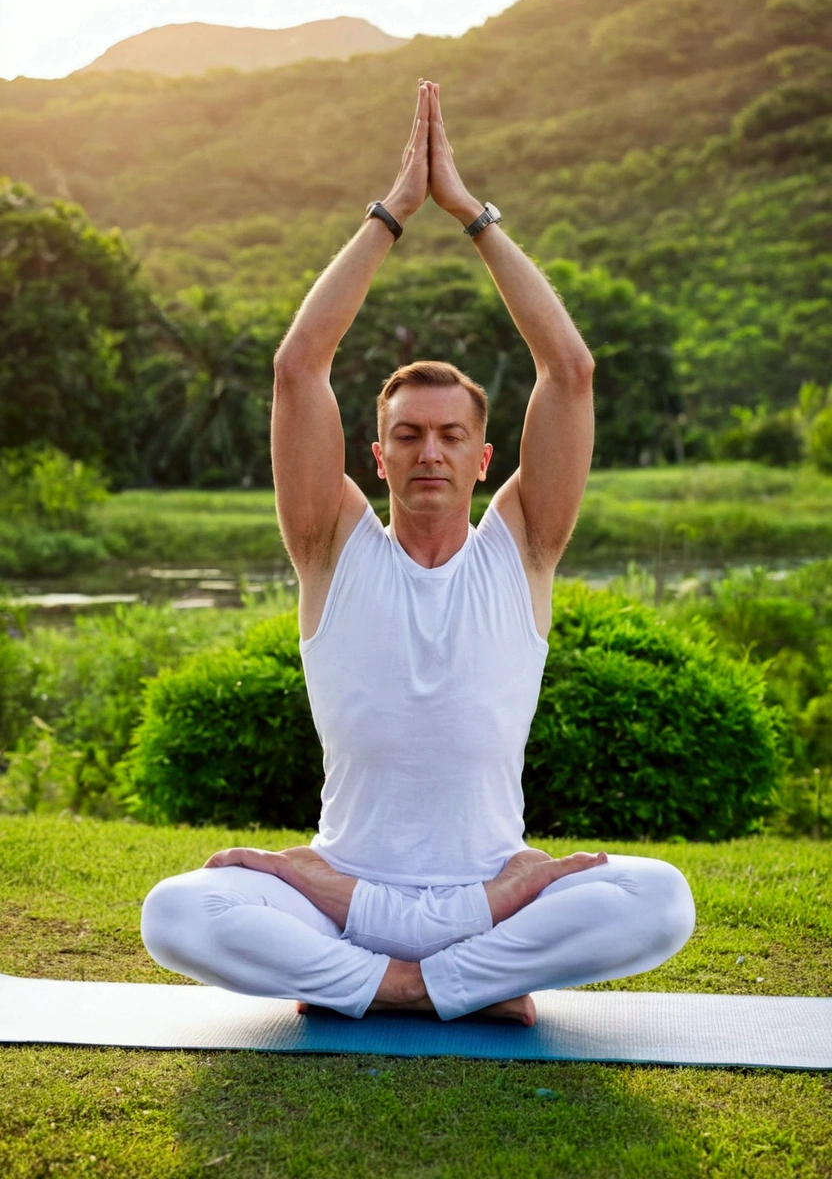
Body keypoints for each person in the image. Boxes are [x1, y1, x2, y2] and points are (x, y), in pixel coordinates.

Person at [141, 80, 695, 1025]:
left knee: (661, 900)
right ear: (378, 453)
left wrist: (472, 215)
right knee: (179, 910)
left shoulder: (522, 552)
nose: (428, 450)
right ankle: (432, 989)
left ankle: (399, 986)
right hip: (339, 896)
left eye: (448, 435)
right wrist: (393, 211)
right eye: (407, 434)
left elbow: (570, 371)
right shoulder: (330, 545)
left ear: (485, 459)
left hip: (494, 896)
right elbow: (296, 367)